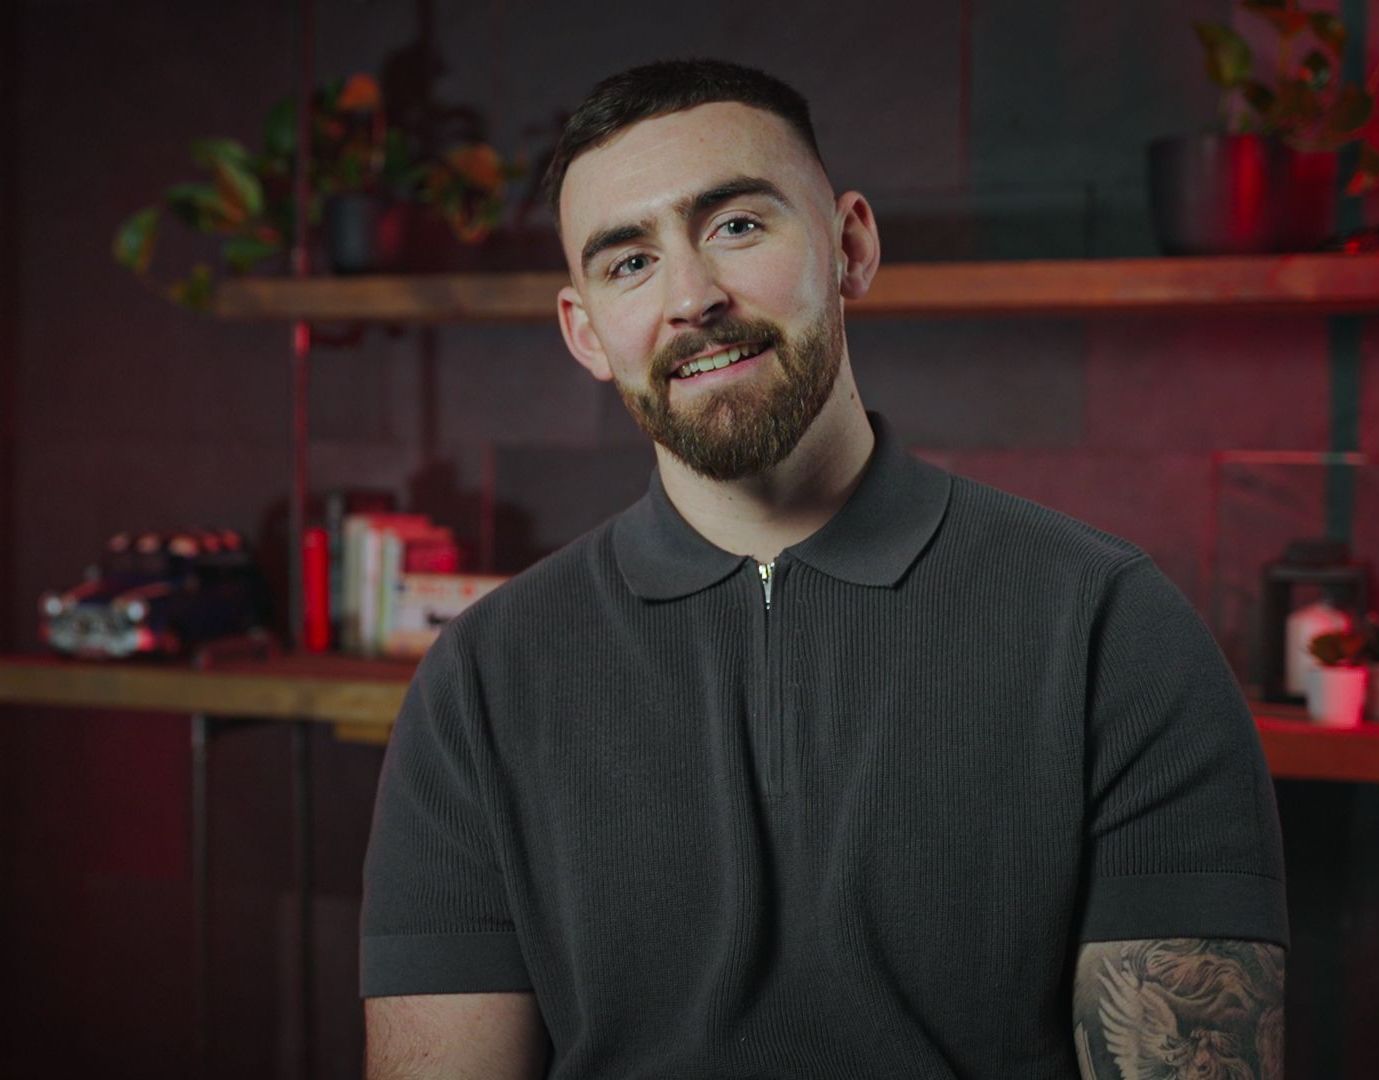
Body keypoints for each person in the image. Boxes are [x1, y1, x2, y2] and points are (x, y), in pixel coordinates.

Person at [361, 60, 1287, 1079]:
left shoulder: (1108, 630)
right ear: (585, 332)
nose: (693, 297)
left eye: (738, 226)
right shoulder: (483, 681)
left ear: (851, 245)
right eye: (629, 262)